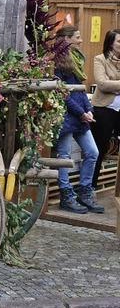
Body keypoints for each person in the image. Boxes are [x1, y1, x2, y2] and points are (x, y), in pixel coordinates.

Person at [53, 26, 103, 213]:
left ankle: (84, 191)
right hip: (66, 116)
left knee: (93, 152)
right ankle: (66, 195)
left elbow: (79, 89)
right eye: (78, 37)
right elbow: (64, 93)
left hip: (80, 114)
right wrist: (81, 112)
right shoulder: (57, 62)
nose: (81, 40)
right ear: (66, 39)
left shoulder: (75, 60)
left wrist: (88, 110)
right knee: (64, 157)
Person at [91, 29, 120, 189]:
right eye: (119, 41)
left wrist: (113, 84)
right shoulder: (100, 59)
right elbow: (102, 84)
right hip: (104, 110)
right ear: (111, 43)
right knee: (99, 148)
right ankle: (91, 186)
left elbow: (109, 84)